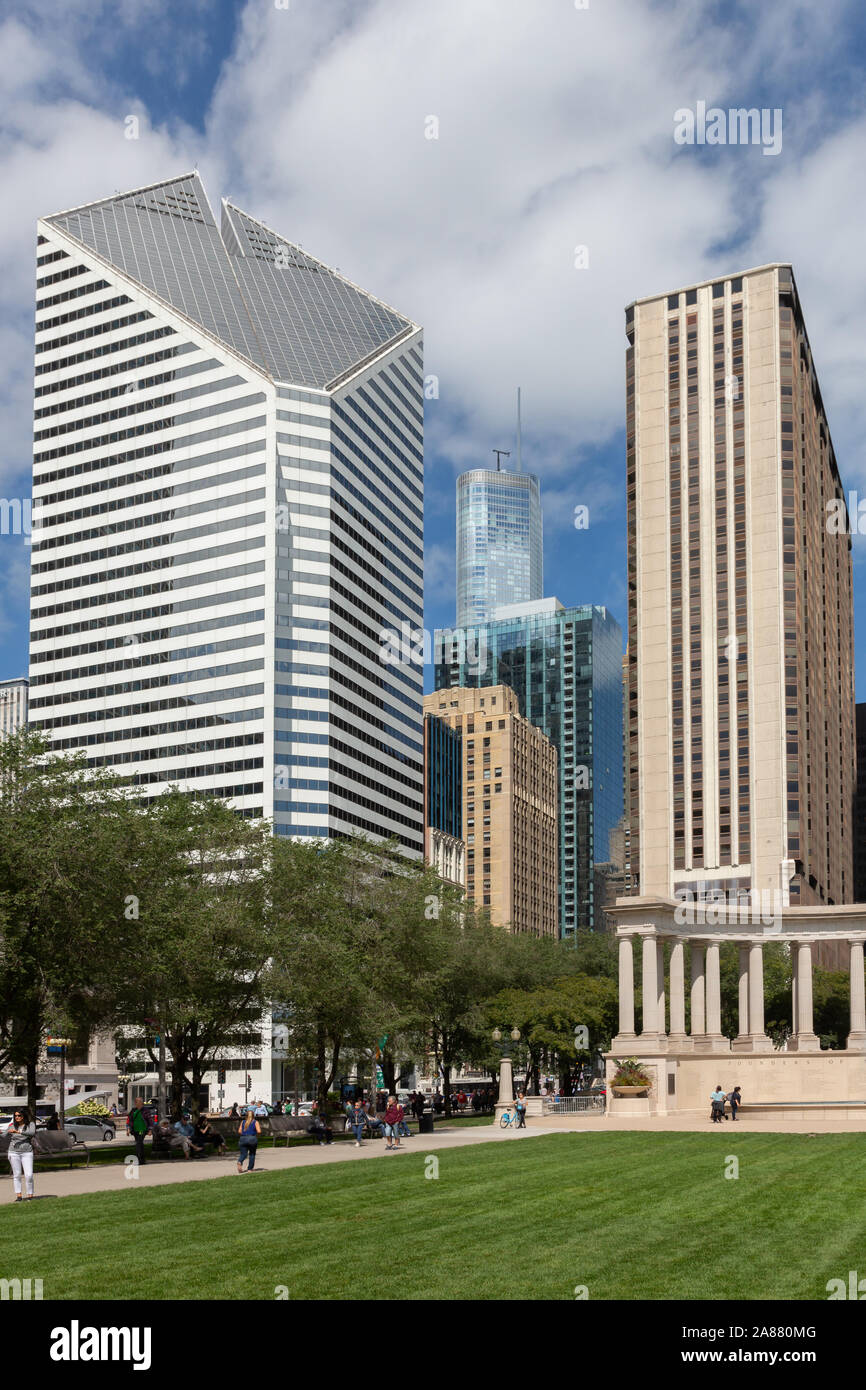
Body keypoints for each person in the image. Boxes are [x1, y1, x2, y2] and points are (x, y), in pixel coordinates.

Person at [5, 1109, 36, 1202]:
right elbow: (4, 1135)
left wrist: (18, 1132)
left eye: (19, 1115)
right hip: (13, 1152)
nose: (17, 1117)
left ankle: (30, 1195)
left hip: (27, 1152)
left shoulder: (30, 1124)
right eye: (16, 1116)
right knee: (17, 1174)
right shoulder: (12, 1125)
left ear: (23, 1116)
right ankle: (19, 1196)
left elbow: (31, 1133)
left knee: (29, 1175)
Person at [129, 1098, 149, 1165]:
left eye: (137, 1102)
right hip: (135, 1130)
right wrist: (128, 1128)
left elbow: (149, 1120)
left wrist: (150, 1129)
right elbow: (130, 1119)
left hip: (142, 1129)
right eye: (136, 1102)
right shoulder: (133, 1110)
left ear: (141, 1102)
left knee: (138, 1143)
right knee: (140, 1144)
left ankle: (138, 1160)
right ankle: (142, 1160)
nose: (136, 1103)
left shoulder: (145, 1110)